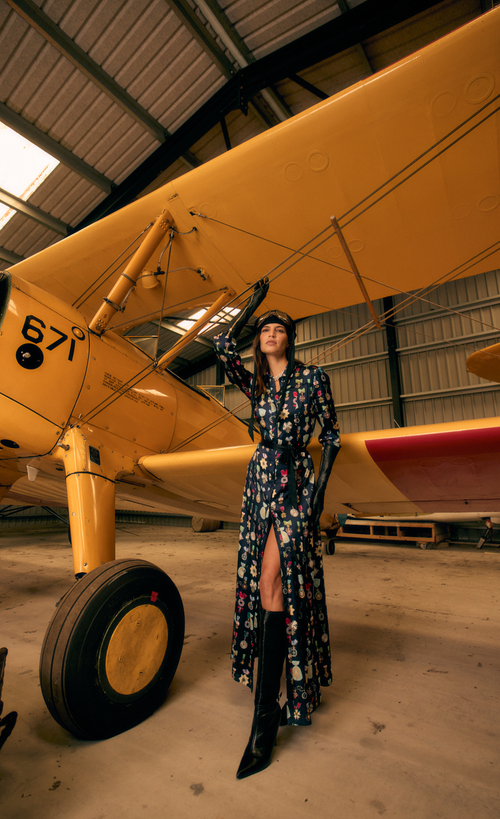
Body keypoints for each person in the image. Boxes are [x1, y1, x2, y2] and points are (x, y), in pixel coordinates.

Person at [213, 280, 340, 779]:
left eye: (277, 327)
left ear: (289, 338)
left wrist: (318, 495)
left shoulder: (314, 379)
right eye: (264, 328)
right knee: (268, 585)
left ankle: (264, 724)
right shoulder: (256, 384)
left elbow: (329, 435)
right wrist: (247, 308)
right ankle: (277, 705)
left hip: (295, 483)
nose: (269, 332)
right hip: (259, 479)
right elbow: (221, 345)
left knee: (277, 583)